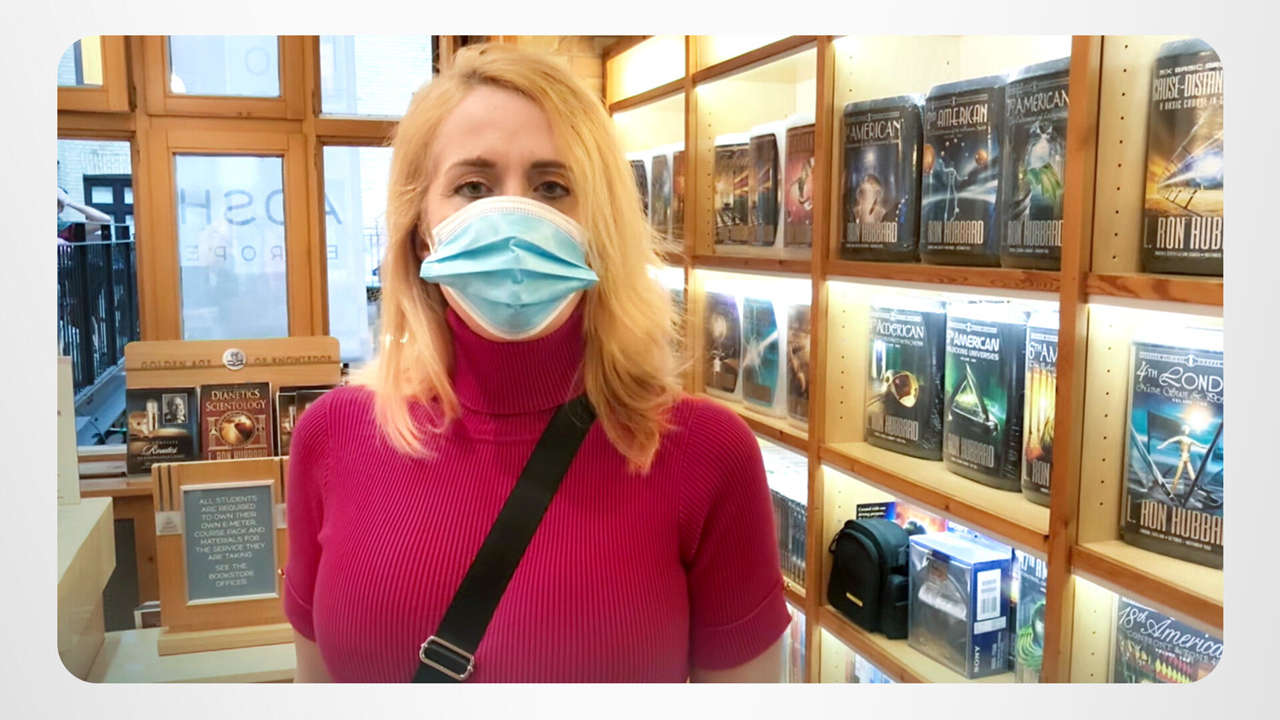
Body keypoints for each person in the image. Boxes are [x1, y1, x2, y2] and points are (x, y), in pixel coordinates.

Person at [283, 43, 791, 683]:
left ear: (600, 226)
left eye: (553, 187)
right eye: (473, 186)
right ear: (420, 230)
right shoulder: (332, 437)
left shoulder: (706, 455)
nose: (515, 219)